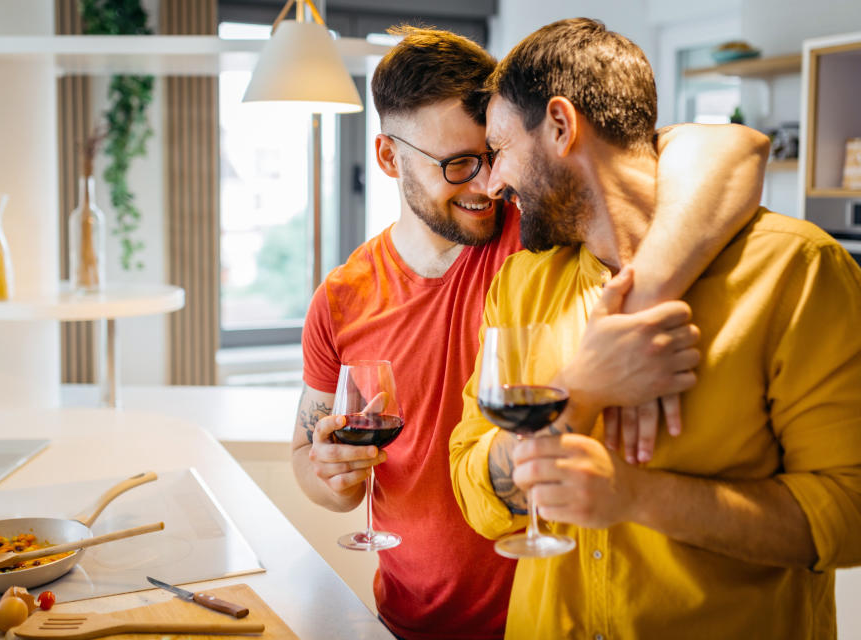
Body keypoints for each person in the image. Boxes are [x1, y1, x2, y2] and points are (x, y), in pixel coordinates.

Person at [293, 26, 769, 640]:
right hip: (405, 620)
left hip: (545, 616)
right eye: (458, 164)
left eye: (492, 154)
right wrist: (330, 475)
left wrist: (645, 295)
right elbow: (308, 458)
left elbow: (731, 148)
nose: (486, 184)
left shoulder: (537, 229)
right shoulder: (341, 297)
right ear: (389, 157)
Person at [449, 18, 861, 639]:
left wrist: (638, 496)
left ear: (561, 126)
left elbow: (849, 516)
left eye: (500, 149)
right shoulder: (519, 285)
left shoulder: (798, 270)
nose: (493, 182)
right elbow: (471, 487)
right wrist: (579, 390)